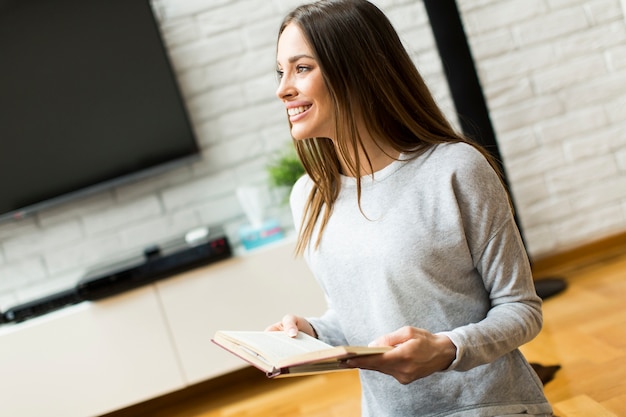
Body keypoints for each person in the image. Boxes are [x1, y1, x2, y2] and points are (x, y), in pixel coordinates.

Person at [266, 0, 553, 415]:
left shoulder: (454, 169)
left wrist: (447, 348)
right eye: (280, 71)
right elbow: (360, 316)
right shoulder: (309, 196)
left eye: (302, 68)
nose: (283, 88)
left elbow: (521, 308)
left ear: (358, 70)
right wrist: (311, 332)